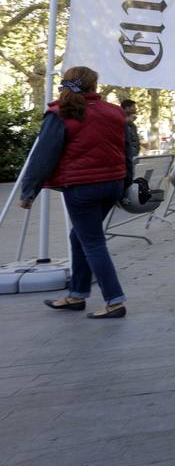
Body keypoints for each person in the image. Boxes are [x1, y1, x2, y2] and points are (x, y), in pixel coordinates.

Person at [18, 66, 134, 319]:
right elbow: (128, 150)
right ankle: (77, 294)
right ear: (94, 85)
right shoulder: (114, 111)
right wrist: (127, 182)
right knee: (79, 237)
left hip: (82, 187)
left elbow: (43, 156)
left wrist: (28, 192)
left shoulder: (60, 112)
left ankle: (115, 301)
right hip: (112, 184)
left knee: (93, 242)